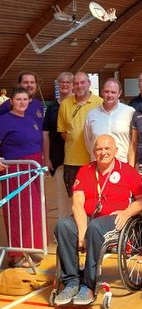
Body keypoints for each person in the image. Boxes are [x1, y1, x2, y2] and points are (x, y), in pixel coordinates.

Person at [54, 134, 142, 306]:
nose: (103, 152)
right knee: (63, 225)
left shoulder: (127, 171)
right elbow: (77, 204)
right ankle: (71, 282)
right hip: (87, 219)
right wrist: (82, 233)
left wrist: (126, 213)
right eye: (99, 149)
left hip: (113, 219)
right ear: (93, 151)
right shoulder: (85, 170)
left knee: (95, 227)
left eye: (107, 148)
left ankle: (88, 285)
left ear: (116, 150)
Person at [0, 87, 45, 267]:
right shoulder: (3, 120)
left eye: (25, 99)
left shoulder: (30, 118)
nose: (22, 102)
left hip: (33, 169)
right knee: (17, 212)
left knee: (33, 211)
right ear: (11, 100)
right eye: (18, 99)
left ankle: (31, 248)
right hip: (15, 171)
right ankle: (17, 254)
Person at [57, 72, 103, 197]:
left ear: (89, 84)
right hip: (72, 162)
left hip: (94, 160)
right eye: (76, 83)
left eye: (82, 82)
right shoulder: (65, 105)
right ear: (73, 86)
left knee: (95, 196)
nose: (79, 86)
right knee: (75, 198)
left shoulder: (100, 103)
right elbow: (63, 132)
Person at [43, 72, 74, 219]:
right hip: (58, 158)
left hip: (76, 157)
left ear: (72, 84)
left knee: (77, 196)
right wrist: (47, 158)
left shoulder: (77, 104)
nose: (65, 84)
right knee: (62, 195)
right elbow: (46, 134)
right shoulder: (52, 108)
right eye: (62, 82)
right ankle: (63, 229)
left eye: (68, 82)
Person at [84, 78, 134, 164]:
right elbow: (88, 142)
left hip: (122, 163)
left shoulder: (130, 112)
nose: (109, 95)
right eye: (107, 91)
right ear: (102, 92)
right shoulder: (92, 114)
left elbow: (134, 141)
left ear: (119, 93)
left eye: (113, 92)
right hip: (98, 164)